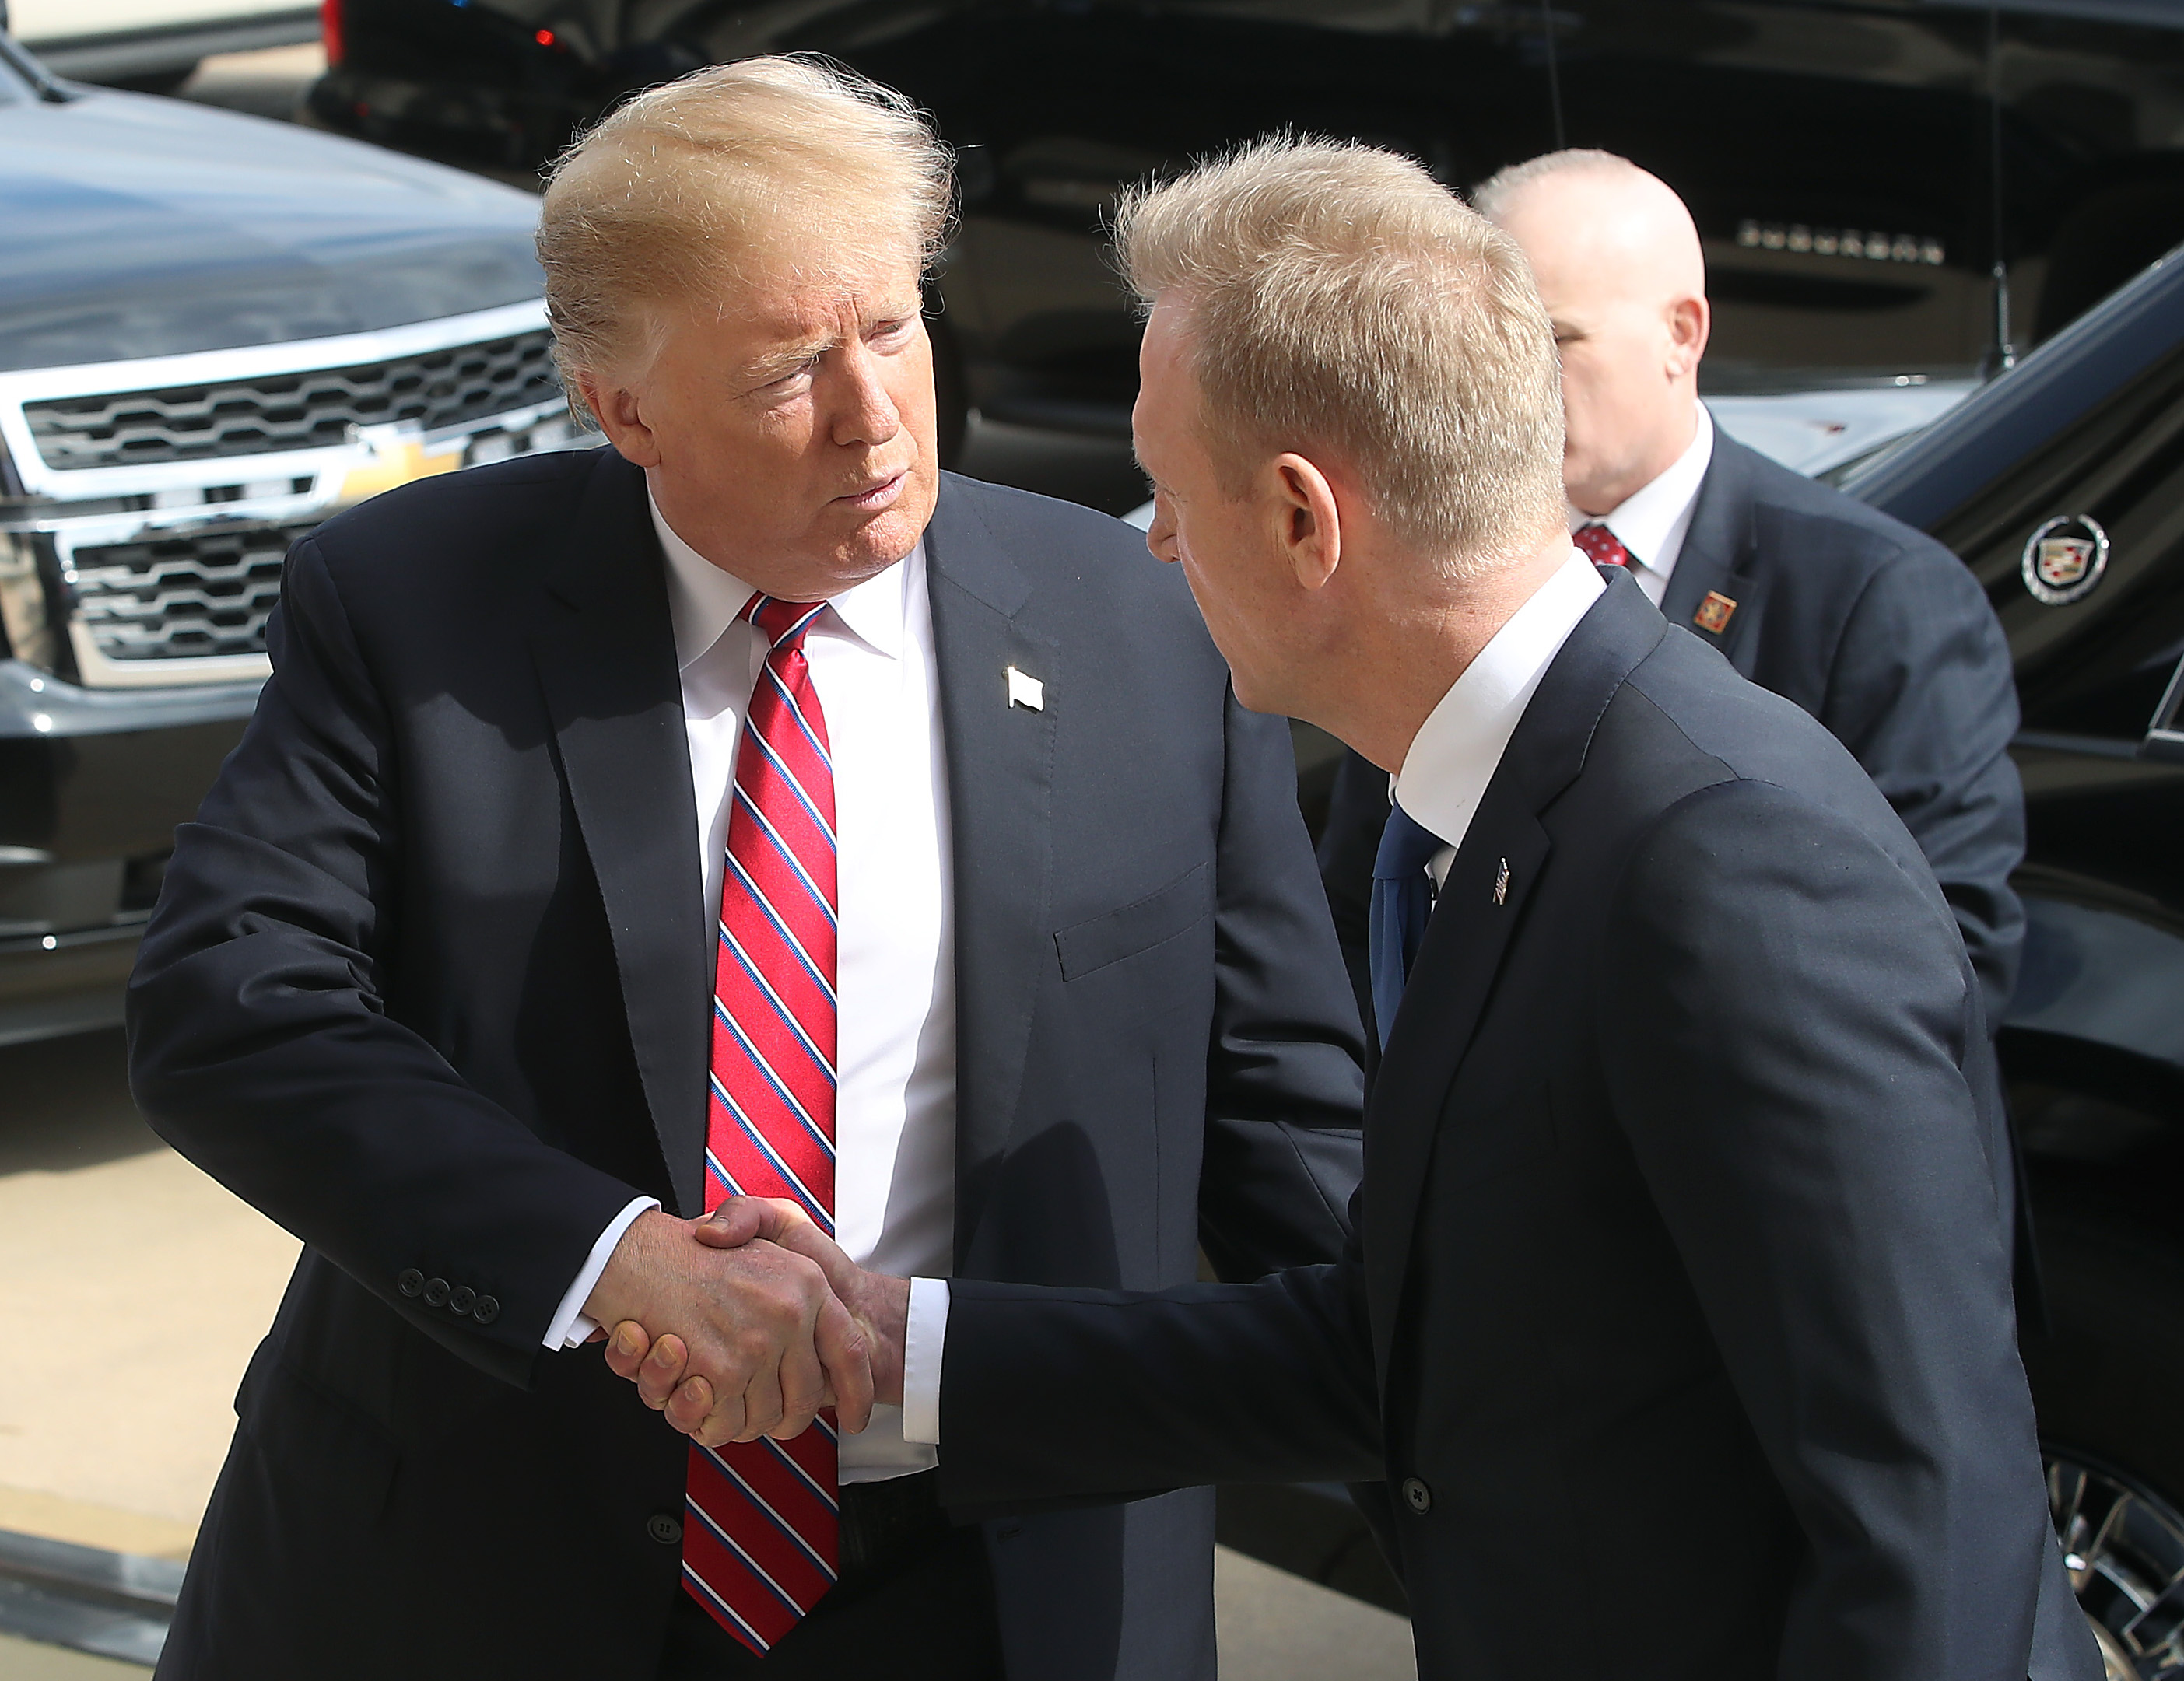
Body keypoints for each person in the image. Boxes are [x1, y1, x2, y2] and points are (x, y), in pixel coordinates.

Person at [630, 138, 2098, 1679]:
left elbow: (1927, 1518)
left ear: (1298, 522)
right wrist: (895, 1347)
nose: (1154, 545)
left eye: (1167, 491)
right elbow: (1403, 1351)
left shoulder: (1724, 866)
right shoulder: (1499, 798)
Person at [124, 61, 1366, 1681]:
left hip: (1006, 1585)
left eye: (894, 328)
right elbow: (232, 1009)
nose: (872, 416)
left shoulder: (1135, 618)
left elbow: (1286, 1126)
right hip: (488, 1570)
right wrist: (605, 1258)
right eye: (787, 369)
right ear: (622, 407)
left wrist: (1486, 1436)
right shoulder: (418, 604)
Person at [1316, 149, 2026, 1039]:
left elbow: (1944, 951)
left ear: (1681, 334)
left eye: (1555, 341)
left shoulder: (1874, 598)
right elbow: (1355, 897)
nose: (1511, 384)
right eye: (1488, 346)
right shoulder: (1431, 557)